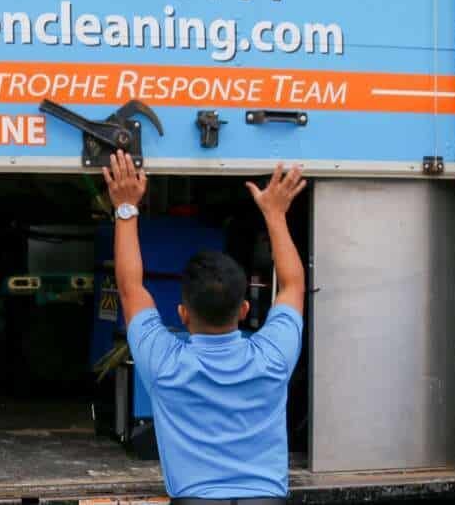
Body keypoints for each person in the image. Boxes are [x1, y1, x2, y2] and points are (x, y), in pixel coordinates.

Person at [102, 150, 307, 503]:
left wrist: (126, 208)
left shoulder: (164, 362)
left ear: (182, 314)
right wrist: (275, 214)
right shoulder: (273, 357)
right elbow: (292, 286)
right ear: (244, 309)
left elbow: (130, 287)